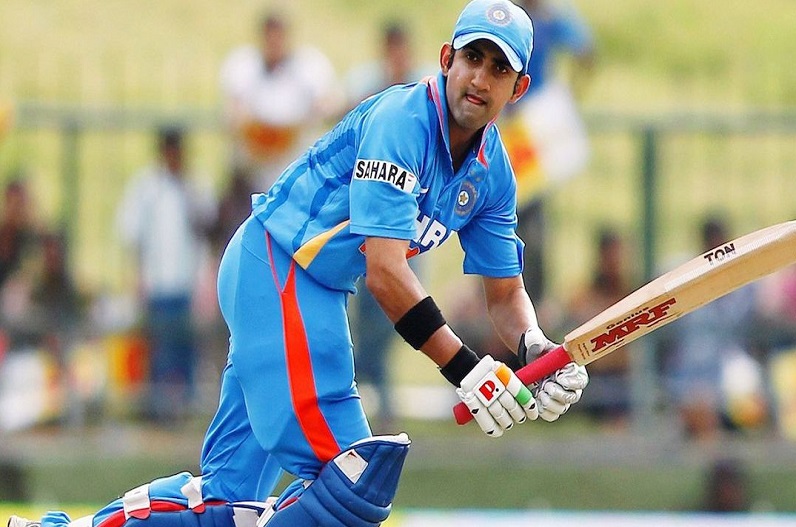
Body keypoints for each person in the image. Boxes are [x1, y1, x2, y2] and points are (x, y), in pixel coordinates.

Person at [10, 2, 589, 527]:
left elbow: (505, 296)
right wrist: (465, 369)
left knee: (227, 501)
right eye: (472, 59)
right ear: (446, 60)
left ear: (519, 88)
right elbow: (386, 272)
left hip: (311, 287)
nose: (480, 79)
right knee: (354, 479)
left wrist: (536, 350)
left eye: (499, 69)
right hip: (279, 266)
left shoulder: (494, 172)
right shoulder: (403, 122)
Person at [343, 21, 433, 431]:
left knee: (398, 308)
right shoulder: (369, 87)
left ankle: (365, 377)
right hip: (369, 217)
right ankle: (368, 387)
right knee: (370, 307)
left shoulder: (425, 91)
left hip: (408, 219)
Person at [115, 126, 217, 424]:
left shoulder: (195, 187)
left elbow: (207, 233)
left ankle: (185, 409)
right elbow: (132, 235)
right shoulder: (147, 188)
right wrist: (137, 278)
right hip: (157, 284)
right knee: (159, 349)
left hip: (187, 284)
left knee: (186, 350)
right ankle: (158, 411)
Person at [504, 0, 595, 302]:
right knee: (507, 210)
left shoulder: (547, 16)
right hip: (512, 124)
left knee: (525, 210)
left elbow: (585, 51)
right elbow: (586, 51)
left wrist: (566, 98)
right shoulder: (522, 14)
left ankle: (533, 293)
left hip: (530, 126)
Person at [662, 215, 767, 440]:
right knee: (696, 399)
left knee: (748, 389)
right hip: (690, 373)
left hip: (733, 368)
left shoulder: (746, 285)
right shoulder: (683, 281)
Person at [219, 10, 342, 192]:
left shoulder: (310, 66)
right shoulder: (243, 65)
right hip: (254, 165)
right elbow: (233, 111)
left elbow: (331, 103)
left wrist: (313, 114)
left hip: (298, 164)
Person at [559, 226, 633, 425]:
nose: (615, 262)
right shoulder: (584, 297)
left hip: (625, 380)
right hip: (593, 378)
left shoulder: (630, 293)